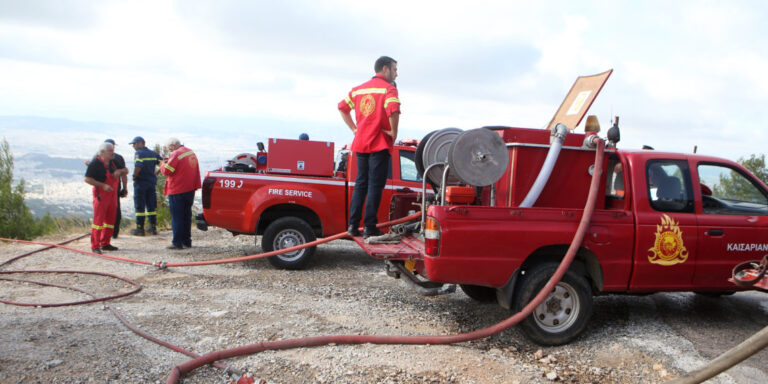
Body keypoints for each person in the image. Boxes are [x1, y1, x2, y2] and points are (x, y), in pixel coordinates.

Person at [338, 56, 400, 238]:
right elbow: (394, 110)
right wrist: (394, 133)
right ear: (385, 69)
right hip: (379, 143)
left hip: (361, 143)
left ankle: (352, 225)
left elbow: (342, 107)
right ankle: (369, 226)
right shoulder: (388, 89)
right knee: (375, 186)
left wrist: (354, 129)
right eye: (395, 69)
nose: (396, 73)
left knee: (360, 184)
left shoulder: (358, 90)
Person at [84, 142, 128, 253]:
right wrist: (103, 185)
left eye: (112, 150)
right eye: (110, 151)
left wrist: (119, 171)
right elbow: (87, 179)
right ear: (102, 152)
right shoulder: (95, 163)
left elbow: (126, 171)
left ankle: (105, 243)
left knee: (110, 219)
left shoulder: (114, 161)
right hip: (101, 195)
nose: (113, 152)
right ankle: (95, 246)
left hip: (113, 194)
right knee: (98, 221)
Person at [159, 137, 201, 249]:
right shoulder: (189, 152)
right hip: (190, 188)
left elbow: (168, 170)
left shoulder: (176, 154)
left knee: (177, 217)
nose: (170, 151)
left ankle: (177, 242)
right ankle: (187, 241)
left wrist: (162, 164)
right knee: (186, 215)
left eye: (169, 148)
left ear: (172, 146)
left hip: (177, 189)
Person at [129, 136, 162, 236]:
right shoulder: (153, 153)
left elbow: (138, 166)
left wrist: (134, 176)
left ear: (140, 143)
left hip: (141, 182)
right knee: (151, 205)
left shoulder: (139, 153)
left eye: (134, 144)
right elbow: (163, 163)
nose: (133, 146)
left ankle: (140, 229)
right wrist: (156, 173)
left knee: (140, 206)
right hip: (151, 183)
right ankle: (152, 227)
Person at [104, 139, 128, 239]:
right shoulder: (119, 158)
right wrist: (125, 188)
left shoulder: (99, 157)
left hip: (104, 188)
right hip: (114, 187)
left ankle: (105, 233)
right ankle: (114, 232)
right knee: (116, 209)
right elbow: (124, 174)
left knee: (105, 210)